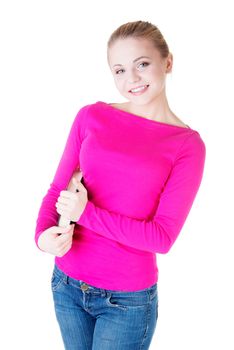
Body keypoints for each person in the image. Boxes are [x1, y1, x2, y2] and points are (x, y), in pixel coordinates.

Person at [34, 20, 206, 350]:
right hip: (66, 284)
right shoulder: (91, 117)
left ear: (167, 62)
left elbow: (162, 237)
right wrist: (42, 237)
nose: (132, 80)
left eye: (142, 64)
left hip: (125, 300)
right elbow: (57, 190)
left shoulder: (186, 145)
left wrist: (86, 212)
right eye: (119, 70)